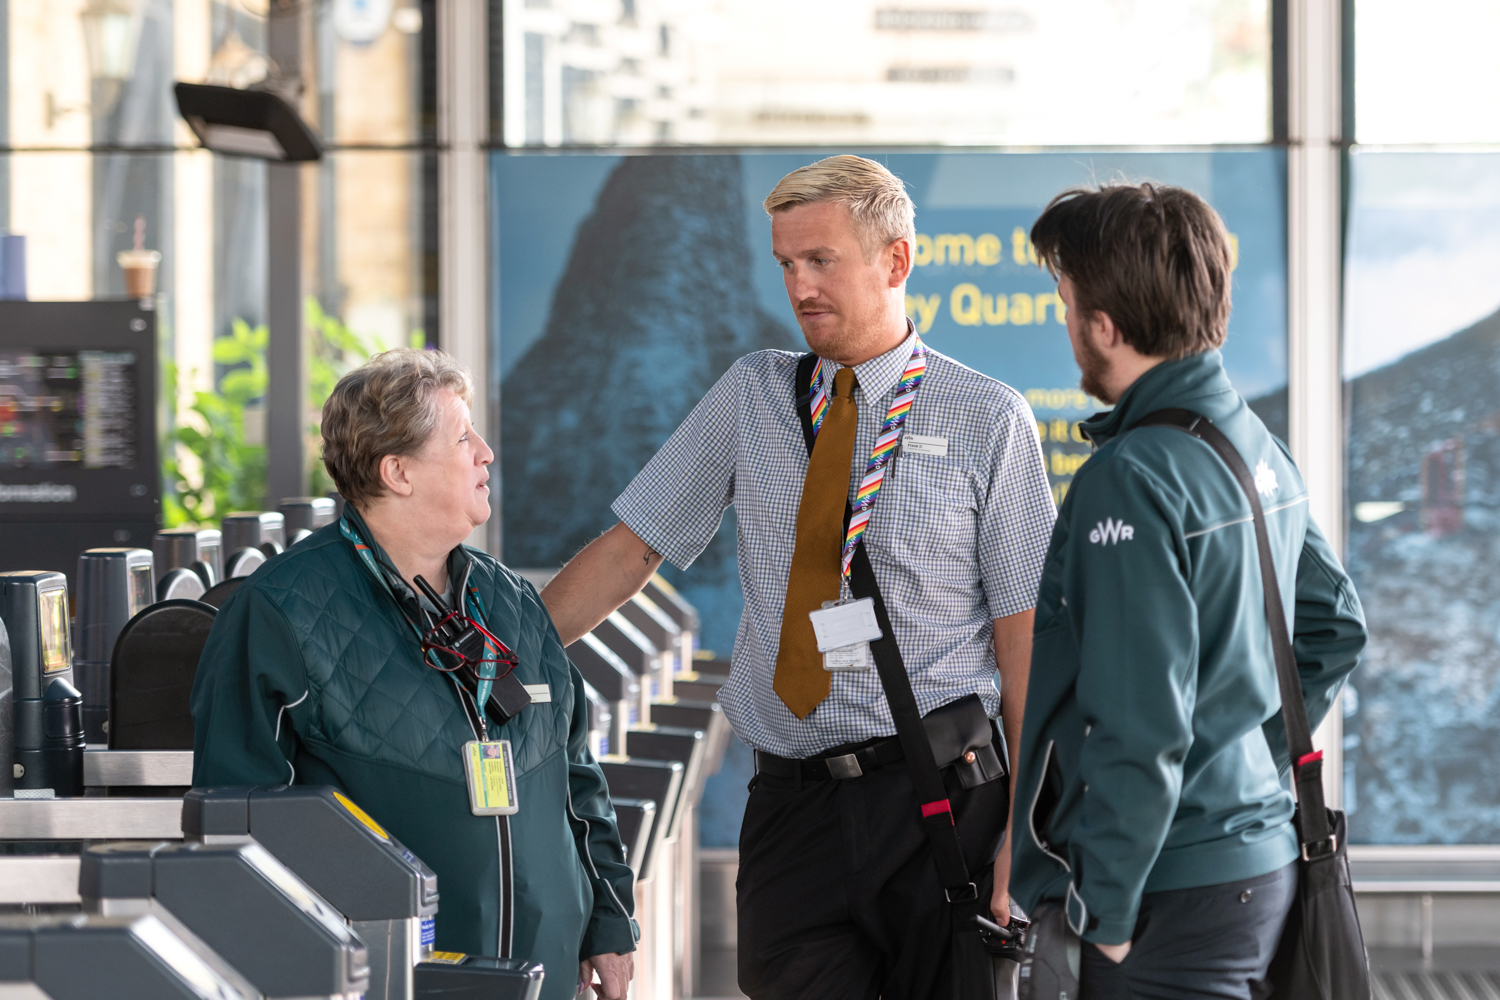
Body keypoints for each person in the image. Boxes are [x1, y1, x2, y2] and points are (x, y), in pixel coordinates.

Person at [541, 154, 1056, 999]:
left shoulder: (987, 417)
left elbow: (1023, 635)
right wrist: (495, 649)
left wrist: (1022, 837)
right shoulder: (754, 394)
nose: (799, 285)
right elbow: (632, 550)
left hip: (942, 805)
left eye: (822, 261)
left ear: (896, 261)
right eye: (785, 263)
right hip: (792, 808)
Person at [1009, 183, 1367, 999]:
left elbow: (1139, 725)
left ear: (1105, 326)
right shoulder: (1250, 444)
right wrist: (1238, 758)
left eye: (1067, 307)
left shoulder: (1131, 478)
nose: (1067, 331)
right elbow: (1335, 625)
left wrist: (1108, 916)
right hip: (1257, 860)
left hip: (1166, 891)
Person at [190, 349, 637, 1000]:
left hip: (548, 974)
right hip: (395, 980)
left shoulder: (509, 601)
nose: (486, 453)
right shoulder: (281, 611)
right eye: (463, 438)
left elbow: (577, 777)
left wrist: (609, 920)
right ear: (397, 471)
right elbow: (235, 831)